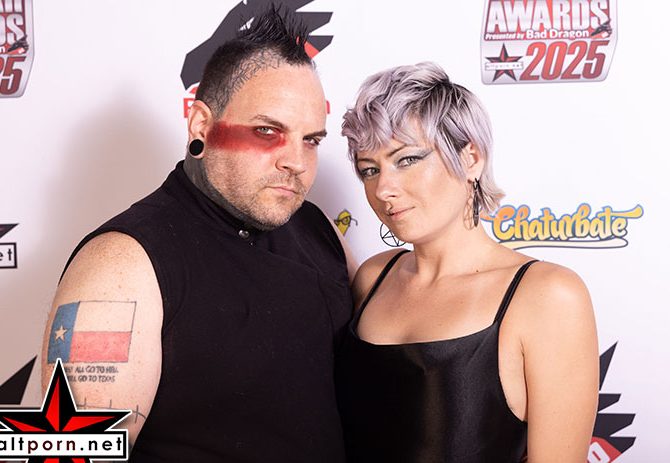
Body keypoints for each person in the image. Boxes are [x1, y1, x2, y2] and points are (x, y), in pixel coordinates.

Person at [41, 8, 356, 462]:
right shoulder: (121, 265)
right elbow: (68, 453)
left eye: (311, 140)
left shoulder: (314, 227)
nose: (295, 161)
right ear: (201, 126)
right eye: (267, 131)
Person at [337, 62, 599, 462]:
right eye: (369, 170)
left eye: (407, 160)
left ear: (471, 157)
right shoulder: (373, 277)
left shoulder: (547, 296)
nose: (384, 188)